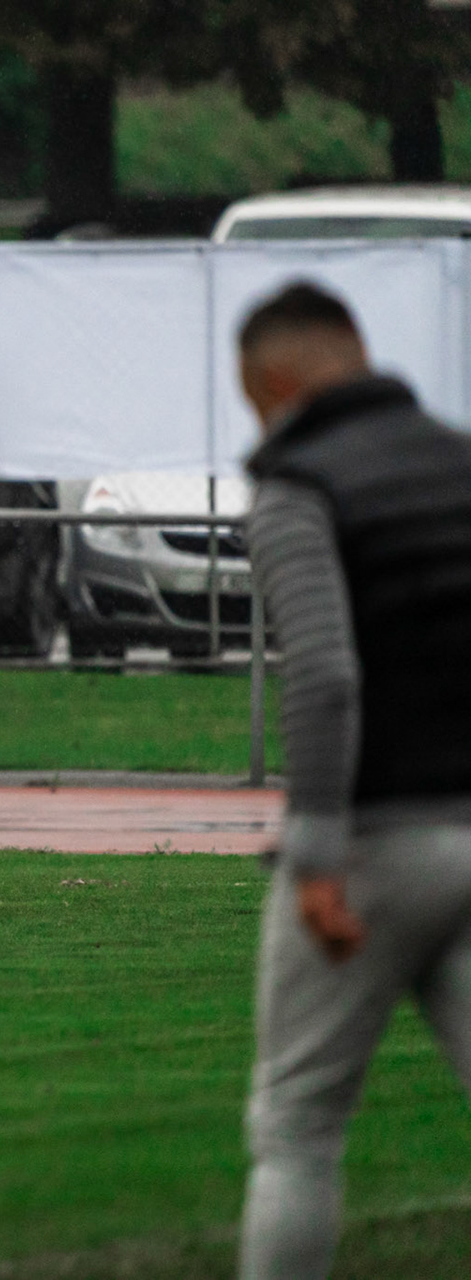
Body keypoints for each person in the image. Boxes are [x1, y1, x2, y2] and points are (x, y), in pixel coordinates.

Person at [234, 282, 471, 1278]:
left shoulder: (300, 485)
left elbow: (326, 674)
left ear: (273, 383)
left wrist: (319, 856)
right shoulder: (458, 460)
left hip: (377, 841)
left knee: (297, 1124)